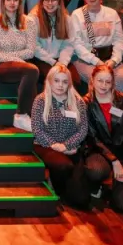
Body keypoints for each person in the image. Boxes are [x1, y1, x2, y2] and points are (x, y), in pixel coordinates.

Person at [83, 64, 123, 214]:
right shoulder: (86, 103)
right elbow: (93, 138)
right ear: (92, 80)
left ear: (113, 83)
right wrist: (113, 160)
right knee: (96, 171)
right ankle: (98, 184)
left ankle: (116, 186)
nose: (103, 86)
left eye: (107, 82)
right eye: (100, 81)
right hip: (100, 152)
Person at [31, 63, 91, 209]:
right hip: (45, 146)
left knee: (82, 200)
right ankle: (57, 191)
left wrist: (66, 145)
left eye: (65, 82)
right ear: (50, 81)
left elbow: (83, 129)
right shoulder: (40, 100)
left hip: (71, 148)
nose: (60, 85)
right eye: (56, 81)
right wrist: (55, 145)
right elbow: (37, 129)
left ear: (69, 84)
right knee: (63, 165)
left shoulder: (78, 102)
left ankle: (62, 188)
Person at [0, 0, 40, 132]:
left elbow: (30, 51)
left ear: (20, 2)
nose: (12, 3)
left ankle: (35, 120)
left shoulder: (29, 22)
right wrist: (15, 59)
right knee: (32, 71)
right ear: (3, 2)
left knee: (31, 73)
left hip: (22, 65)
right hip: (1, 65)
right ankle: (21, 115)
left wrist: (17, 61)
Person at [69, 0, 123, 94]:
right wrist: (96, 62)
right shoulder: (77, 15)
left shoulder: (112, 13)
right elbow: (76, 44)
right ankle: (102, 110)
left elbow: (119, 40)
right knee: (102, 80)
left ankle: (115, 110)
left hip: (110, 59)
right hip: (87, 60)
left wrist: (114, 60)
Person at [28, 0, 80, 86]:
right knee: (55, 80)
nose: (50, 3)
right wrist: (53, 63)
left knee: (75, 81)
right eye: (47, 0)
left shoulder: (66, 19)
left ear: (59, 1)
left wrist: (62, 63)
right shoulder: (34, 19)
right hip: (41, 59)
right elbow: (34, 46)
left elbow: (68, 45)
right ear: (42, 2)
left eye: (53, 0)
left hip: (60, 60)